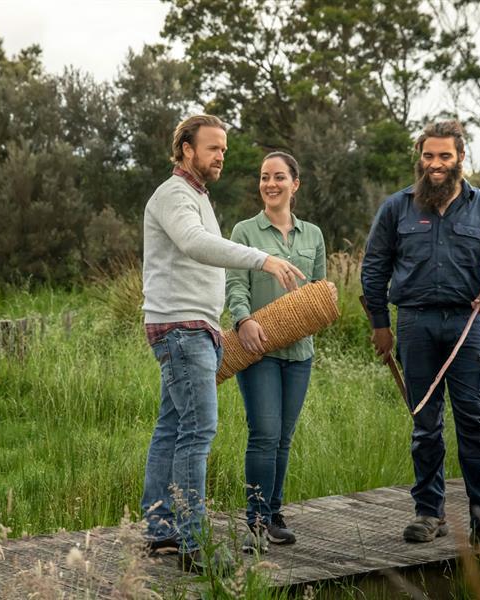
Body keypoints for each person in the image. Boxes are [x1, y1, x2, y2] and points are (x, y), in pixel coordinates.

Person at [141, 115, 305, 573]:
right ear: (187, 149)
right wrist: (263, 260)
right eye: (213, 148)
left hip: (195, 329)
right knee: (197, 432)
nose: (220, 157)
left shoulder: (196, 197)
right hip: (182, 329)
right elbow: (195, 245)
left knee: (172, 429)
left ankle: (160, 533)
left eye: (224, 150)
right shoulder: (174, 194)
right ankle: (193, 546)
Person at [360, 120, 480, 552]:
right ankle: (429, 515)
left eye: (444, 156)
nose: (435, 164)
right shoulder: (397, 208)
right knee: (424, 426)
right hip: (413, 325)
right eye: (428, 156)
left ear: (460, 158)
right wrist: (380, 324)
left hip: (467, 327)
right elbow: (374, 267)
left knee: (476, 426)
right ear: (420, 157)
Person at [225, 152, 328, 553]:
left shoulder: (313, 235)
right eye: (265, 177)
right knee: (264, 434)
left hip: (299, 352)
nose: (271, 184)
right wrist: (242, 319)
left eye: (279, 177)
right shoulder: (244, 231)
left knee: (283, 437)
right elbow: (235, 283)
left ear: (295, 184)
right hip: (257, 349)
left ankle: (274, 514)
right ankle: (255, 521)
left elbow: (318, 290)